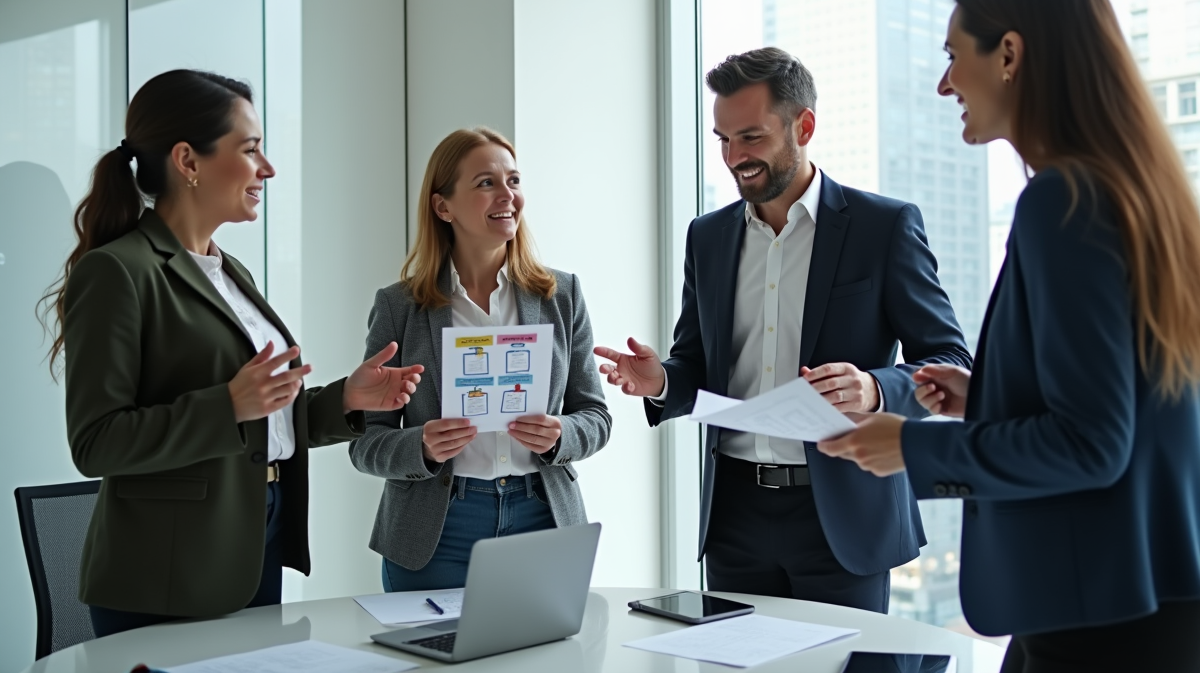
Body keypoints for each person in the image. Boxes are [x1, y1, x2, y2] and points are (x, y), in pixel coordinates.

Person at [819, 0, 1200, 672]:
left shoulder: (1064, 203)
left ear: (1010, 55)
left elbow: (1092, 443)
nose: (943, 83)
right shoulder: (1140, 193)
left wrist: (913, 446)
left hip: (1093, 614)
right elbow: (1134, 403)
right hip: (1142, 592)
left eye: (954, 55)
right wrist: (988, 399)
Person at [46, 70, 423, 637]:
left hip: (253, 536)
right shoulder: (118, 272)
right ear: (188, 162)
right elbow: (97, 443)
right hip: (166, 572)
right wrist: (225, 405)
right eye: (250, 150)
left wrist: (343, 400)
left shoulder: (229, 272)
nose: (267, 168)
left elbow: (260, 415)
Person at [595, 48, 972, 612]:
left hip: (843, 515)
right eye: (723, 139)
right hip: (734, 519)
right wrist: (661, 383)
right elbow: (695, 363)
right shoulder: (708, 237)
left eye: (751, 138)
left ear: (805, 126)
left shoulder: (882, 227)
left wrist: (873, 389)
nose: (734, 157)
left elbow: (949, 360)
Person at [349, 127, 610, 591]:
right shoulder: (399, 307)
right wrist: (421, 447)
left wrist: (561, 433)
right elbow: (366, 442)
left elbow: (596, 416)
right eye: (486, 182)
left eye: (513, 180)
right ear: (442, 206)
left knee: (541, 662)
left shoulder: (562, 294)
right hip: (437, 527)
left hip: (542, 516)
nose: (507, 195)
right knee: (434, 660)